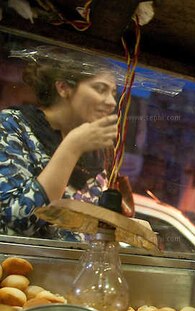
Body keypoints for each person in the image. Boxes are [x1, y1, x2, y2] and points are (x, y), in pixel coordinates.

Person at [0, 48, 118, 240]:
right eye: (100, 89)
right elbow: (21, 221)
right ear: (63, 87)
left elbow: (88, 234)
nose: (112, 102)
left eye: (113, 92)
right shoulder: (13, 126)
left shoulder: (93, 151)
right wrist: (72, 147)